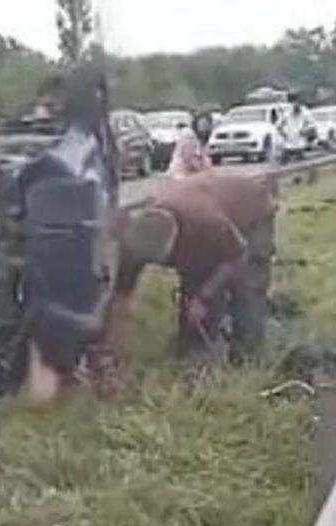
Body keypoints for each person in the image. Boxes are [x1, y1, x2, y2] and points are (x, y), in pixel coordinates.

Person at [108, 172, 276, 359]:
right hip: (208, 210)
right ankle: (196, 349)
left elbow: (238, 256)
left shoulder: (205, 222)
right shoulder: (137, 238)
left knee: (247, 286)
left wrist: (204, 297)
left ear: (176, 242)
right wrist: (115, 332)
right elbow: (121, 293)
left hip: (252, 212)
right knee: (194, 284)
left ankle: (247, 352)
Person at [165, 112, 212, 179]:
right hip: (180, 171)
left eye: (206, 124)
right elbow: (188, 157)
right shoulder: (189, 135)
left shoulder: (203, 138)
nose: (204, 126)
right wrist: (203, 169)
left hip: (191, 172)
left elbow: (205, 156)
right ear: (196, 124)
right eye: (202, 123)